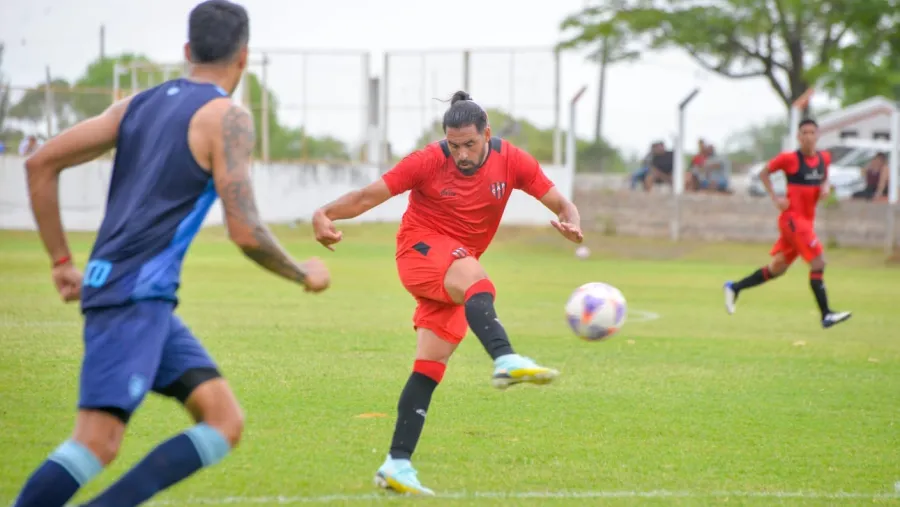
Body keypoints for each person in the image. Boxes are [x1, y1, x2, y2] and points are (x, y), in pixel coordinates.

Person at [13, 2, 330, 506]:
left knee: (223, 421)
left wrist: (61, 262)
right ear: (243, 56)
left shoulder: (135, 106)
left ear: (187, 51)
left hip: (141, 298)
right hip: (132, 299)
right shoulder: (228, 118)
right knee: (96, 441)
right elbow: (245, 231)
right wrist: (302, 273)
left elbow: (39, 165)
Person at [311, 91, 584, 496]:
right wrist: (324, 213)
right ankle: (504, 357)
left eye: (470, 144)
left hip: (452, 269)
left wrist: (571, 220)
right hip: (420, 251)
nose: (461, 155)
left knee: (429, 367)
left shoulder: (513, 161)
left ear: (487, 133)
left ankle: (396, 465)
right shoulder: (427, 161)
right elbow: (369, 196)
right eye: (454, 145)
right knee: (479, 280)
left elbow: (560, 201)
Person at [723, 119, 850, 329]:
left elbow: (824, 177)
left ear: (817, 136)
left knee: (777, 269)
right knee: (818, 262)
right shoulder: (789, 159)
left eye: (812, 132)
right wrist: (775, 198)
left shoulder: (823, 159)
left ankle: (734, 287)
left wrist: (825, 187)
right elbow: (763, 173)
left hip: (806, 221)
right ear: (799, 137)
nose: (808, 136)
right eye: (804, 133)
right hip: (793, 220)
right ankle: (826, 314)